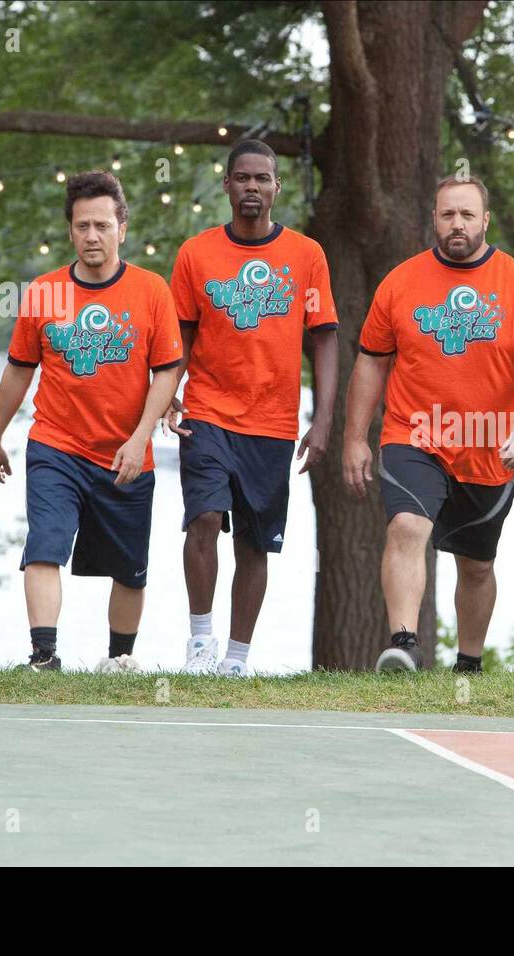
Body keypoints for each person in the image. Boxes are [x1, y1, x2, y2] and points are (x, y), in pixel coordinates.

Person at [342, 174, 514, 673]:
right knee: (406, 526)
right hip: (414, 434)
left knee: (477, 564)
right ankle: (404, 643)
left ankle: (469, 663)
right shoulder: (401, 282)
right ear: (435, 220)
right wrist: (355, 437)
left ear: (485, 220)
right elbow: (372, 361)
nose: (457, 224)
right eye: (448, 215)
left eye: (467, 214)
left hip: (490, 444)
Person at [0, 170, 182, 672]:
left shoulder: (151, 290)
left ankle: (118, 660)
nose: (92, 236)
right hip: (57, 446)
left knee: (130, 570)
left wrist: (140, 438)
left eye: (101, 225)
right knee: (44, 547)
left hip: (125, 452)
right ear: (70, 231)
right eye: (81, 226)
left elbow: (166, 373)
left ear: (122, 227)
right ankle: (44, 656)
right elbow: (17, 370)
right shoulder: (46, 293)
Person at [165, 140, 339, 676]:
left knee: (254, 544)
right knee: (205, 518)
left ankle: (237, 657)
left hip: (274, 420)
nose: (252, 188)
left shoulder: (306, 256)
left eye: (262, 179)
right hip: (208, 411)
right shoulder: (196, 254)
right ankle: (200, 642)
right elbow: (179, 336)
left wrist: (324, 418)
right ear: (226, 185)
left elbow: (326, 337)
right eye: (242, 178)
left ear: (276, 187)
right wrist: (167, 391)